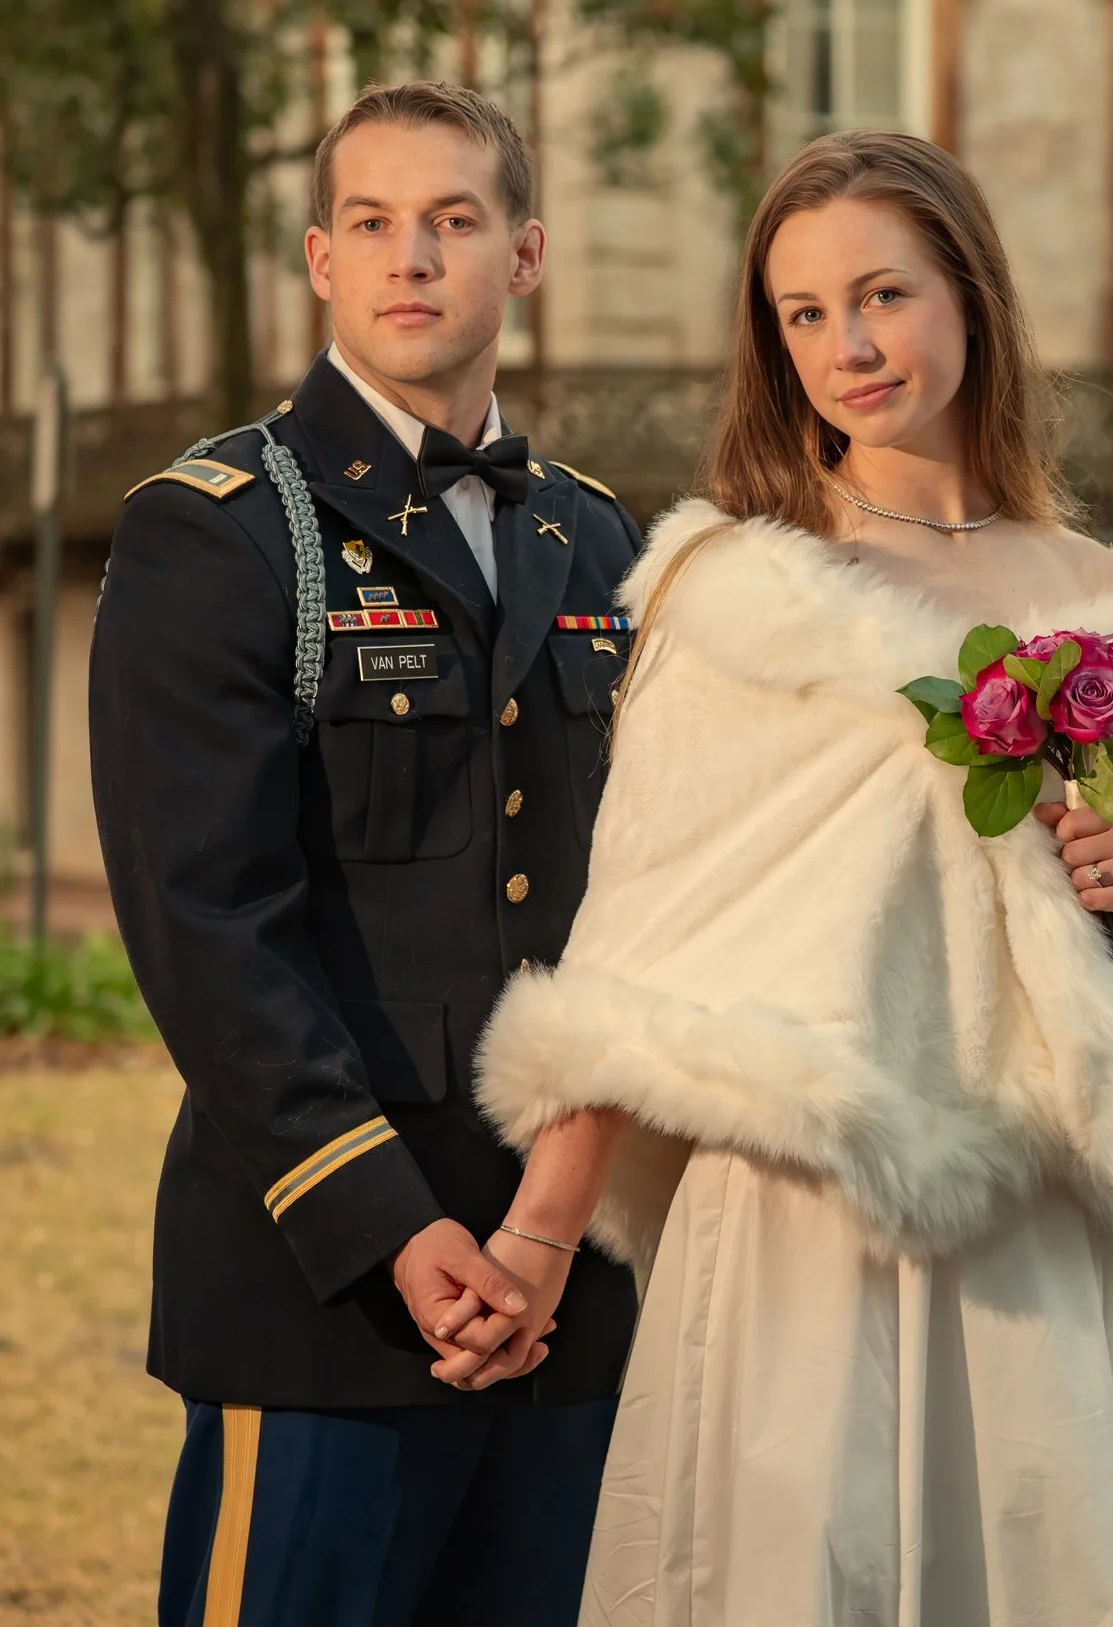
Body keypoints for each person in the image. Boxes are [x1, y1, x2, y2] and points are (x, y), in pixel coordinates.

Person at [454, 131, 1113, 1626]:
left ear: (967, 292)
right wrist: (539, 1233)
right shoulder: (747, 595)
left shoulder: (1111, 603)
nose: (848, 345)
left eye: (883, 295)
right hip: (808, 1210)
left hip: (1037, 1228)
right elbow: (644, 933)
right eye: (803, 314)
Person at [90, 80, 646, 1627]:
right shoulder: (216, 530)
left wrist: (544, 1231)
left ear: (523, 257)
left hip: (565, 1286)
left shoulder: (602, 544)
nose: (417, 258)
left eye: (456, 223)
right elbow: (206, 927)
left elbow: (643, 909)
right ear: (322, 260)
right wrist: (394, 1229)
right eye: (377, 223)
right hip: (323, 1277)